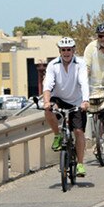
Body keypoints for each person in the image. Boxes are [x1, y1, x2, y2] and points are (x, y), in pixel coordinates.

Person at [42, 37, 90, 177]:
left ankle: (80, 164)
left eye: (69, 50)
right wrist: (46, 102)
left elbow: (84, 83)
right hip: (59, 98)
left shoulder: (80, 63)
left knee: (79, 132)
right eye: (63, 50)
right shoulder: (53, 65)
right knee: (48, 109)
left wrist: (85, 101)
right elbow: (47, 85)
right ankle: (57, 135)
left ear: (73, 50)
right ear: (60, 51)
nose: (66, 52)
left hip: (76, 101)